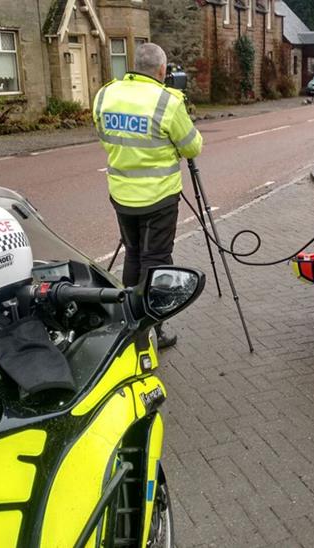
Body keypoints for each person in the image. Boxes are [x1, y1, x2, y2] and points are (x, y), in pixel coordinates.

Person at [93, 43, 203, 349]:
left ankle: (128, 319)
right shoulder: (167, 101)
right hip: (159, 198)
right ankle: (151, 328)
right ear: (162, 71)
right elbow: (192, 146)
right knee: (155, 262)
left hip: (121, 194)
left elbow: (104, 136)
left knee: (133, 254)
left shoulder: (105, 94)